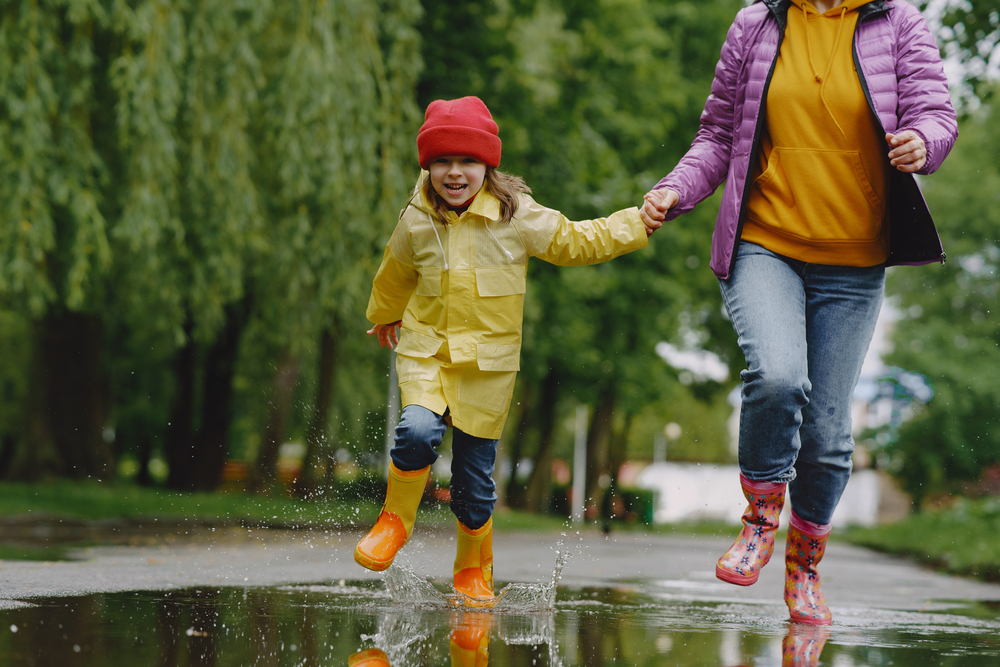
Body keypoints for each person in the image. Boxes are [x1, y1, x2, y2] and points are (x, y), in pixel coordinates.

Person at [643, 0, 957, 625]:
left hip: (855, 259)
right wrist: (675, 188)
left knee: (828, 434)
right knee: (779, 375)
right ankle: (760, 519)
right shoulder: (757, 24)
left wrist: (923, 142)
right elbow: (717, 133)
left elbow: (935, 111)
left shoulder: (898, 24)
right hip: (766, 242)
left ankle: (804, 563)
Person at [356, 95, 656, 602]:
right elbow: (396, 268)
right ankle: (394, 522)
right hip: (427, 352)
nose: (455, 173)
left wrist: (637, 223)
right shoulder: (416, 219)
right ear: (427, 166)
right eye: (442, 162)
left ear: (486, 165)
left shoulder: (517, 217)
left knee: (474, 486)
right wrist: (384, 312)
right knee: (417, 430)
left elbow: (575, 241)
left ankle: (473, 570)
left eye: (467, 161)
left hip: (486, 369)